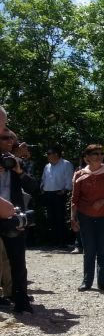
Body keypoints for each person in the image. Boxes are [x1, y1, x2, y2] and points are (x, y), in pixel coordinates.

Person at [0, 125, 41, 313]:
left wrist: (19, 172)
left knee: (17, 260)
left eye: (11, 139)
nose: (10, 142)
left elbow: (34, 187)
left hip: (13, 216)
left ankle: (21, 299)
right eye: (5, 138)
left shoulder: (16, 162)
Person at [70, 144, 104, 291]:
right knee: (89, 250)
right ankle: (87, 281)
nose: (99, 156)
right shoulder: (79, 174)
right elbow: (74, 199)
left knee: (103, 249)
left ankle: (102, 281)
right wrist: (73, 218)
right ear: (87, 158)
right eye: (95, 154)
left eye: (101, 153)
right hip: (85, 216)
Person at [40, 144, 74, 246]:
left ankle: (63, 241)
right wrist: (42, 187)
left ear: (56, 154)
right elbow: (43, 179)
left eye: (49, 153)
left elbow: (69, 178)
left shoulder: (66, 164)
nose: (47, 155)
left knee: (60, 218)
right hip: (48, 194)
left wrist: (65, 190)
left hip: (59, 193)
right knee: (50, 218)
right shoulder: (47, 166)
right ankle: (54, 240)